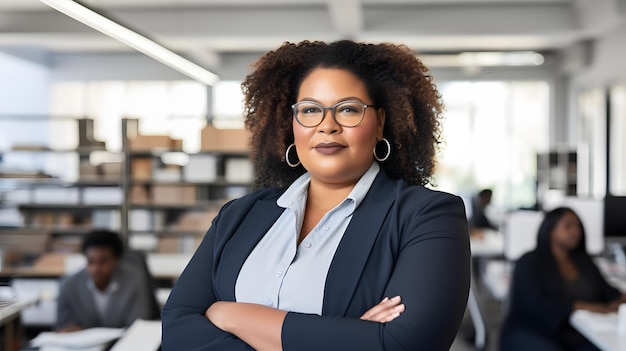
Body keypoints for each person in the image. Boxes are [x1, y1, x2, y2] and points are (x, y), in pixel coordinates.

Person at [161, 40, 471, 351]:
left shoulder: (427, 216)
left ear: (380, 124)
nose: (327, 126)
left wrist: (230, 315)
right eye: (310, 110)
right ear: (291, 125)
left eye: (349, 109)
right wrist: (347, 337)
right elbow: (177, 327)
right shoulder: (239, 215)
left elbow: (405, 345)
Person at [500, 207, 626, 351]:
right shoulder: (529, 262)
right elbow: (535, 306)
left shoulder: (583, 262)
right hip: (533, 331)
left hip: (576, 333)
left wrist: (620, 300)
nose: (575, 231)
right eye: (568, 226)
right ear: (550, 230)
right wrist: (578, 306)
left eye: (578, 226)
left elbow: (607, 291)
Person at [55, 229, 155, 331]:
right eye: (91, 261)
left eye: (103, 262)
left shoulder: (135, 280)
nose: (96, 268)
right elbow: (62, 327)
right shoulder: (68, 285)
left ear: (116, 260)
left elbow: (139, 325)